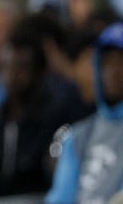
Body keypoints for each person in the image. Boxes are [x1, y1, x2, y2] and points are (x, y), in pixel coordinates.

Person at [46, 22, 123, 203]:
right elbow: (60, 198)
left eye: (121, 63)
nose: (112, 72)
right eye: (105, 63)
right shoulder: (79, 135)